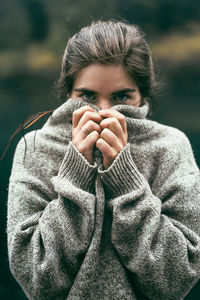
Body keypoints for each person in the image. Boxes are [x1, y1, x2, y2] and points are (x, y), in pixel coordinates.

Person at [7, 20, 200, 300]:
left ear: (143, 95)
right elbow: (37, 279)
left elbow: (176, 279)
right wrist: (75, 173)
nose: (105, 113)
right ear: (68, 94)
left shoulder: (170, 147)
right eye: (88, 96)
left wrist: (126, 182)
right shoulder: (35, 147)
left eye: (121, 96)